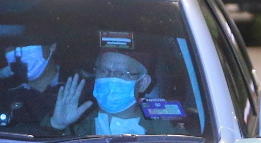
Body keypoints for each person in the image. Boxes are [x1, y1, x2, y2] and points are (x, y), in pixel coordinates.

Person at [50, 49, 178, 135]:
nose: (110, 79)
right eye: (103, 71)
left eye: (122, 73)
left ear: (143, 83)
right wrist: (56, 126)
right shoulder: (73, 120)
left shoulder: (166, 130)